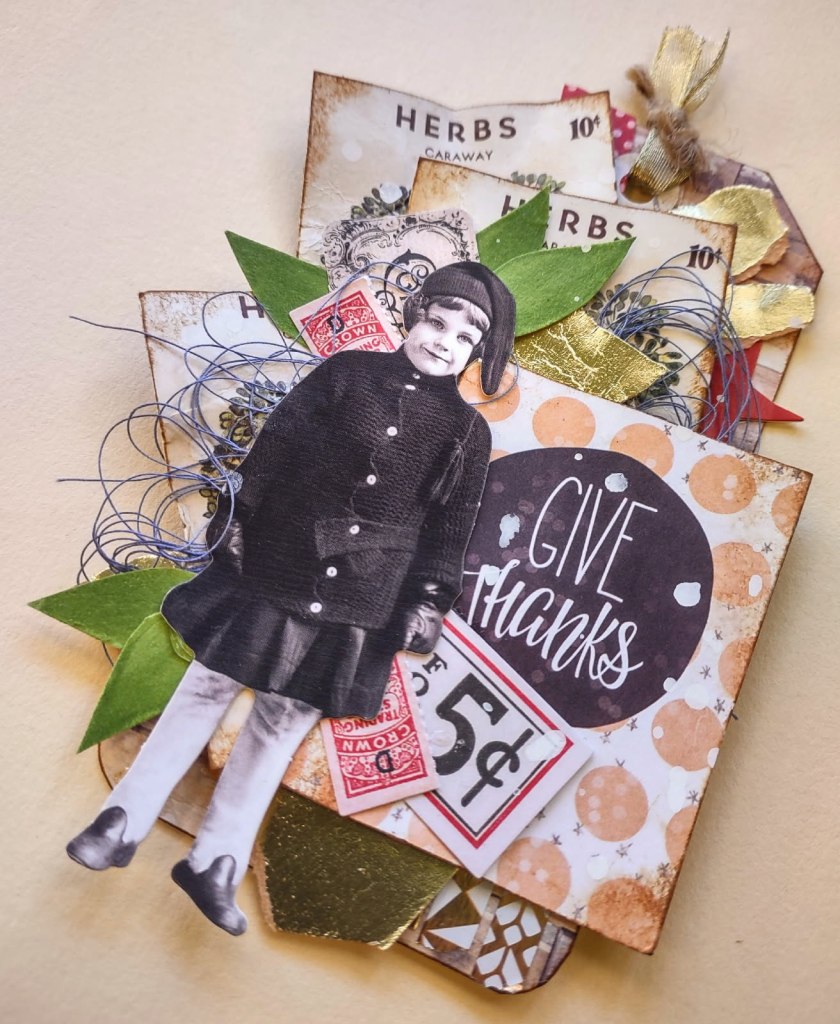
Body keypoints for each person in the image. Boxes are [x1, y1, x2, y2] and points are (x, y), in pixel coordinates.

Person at [66, 261, 516, 936]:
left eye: (463, 336)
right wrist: (239, 519)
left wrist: (429, 599)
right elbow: (276, 448)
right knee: (208, 682)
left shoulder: (466, 434)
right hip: (279, 558)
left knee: (283, 718)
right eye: (436, 321)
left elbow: (449, 528)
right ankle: (122, 818)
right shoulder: (348, 374)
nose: (443, 341)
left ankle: (216, 860)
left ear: (478, 352)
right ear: (414, 316)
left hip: (364, 595)